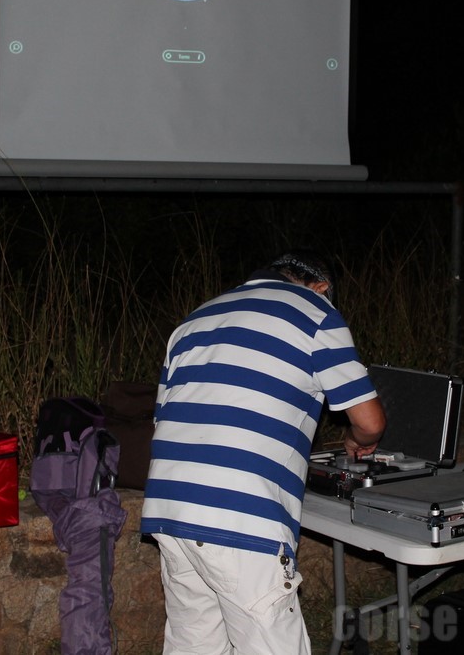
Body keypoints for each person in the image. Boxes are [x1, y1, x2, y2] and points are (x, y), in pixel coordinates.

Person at [140, 249, 386, 654]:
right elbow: (370, 420)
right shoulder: (314, 311)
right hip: (240, 517)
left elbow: (166, 420)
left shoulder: (195, 319)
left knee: (194, 644)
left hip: (170, 510)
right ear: (321, 288)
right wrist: (358, 442)